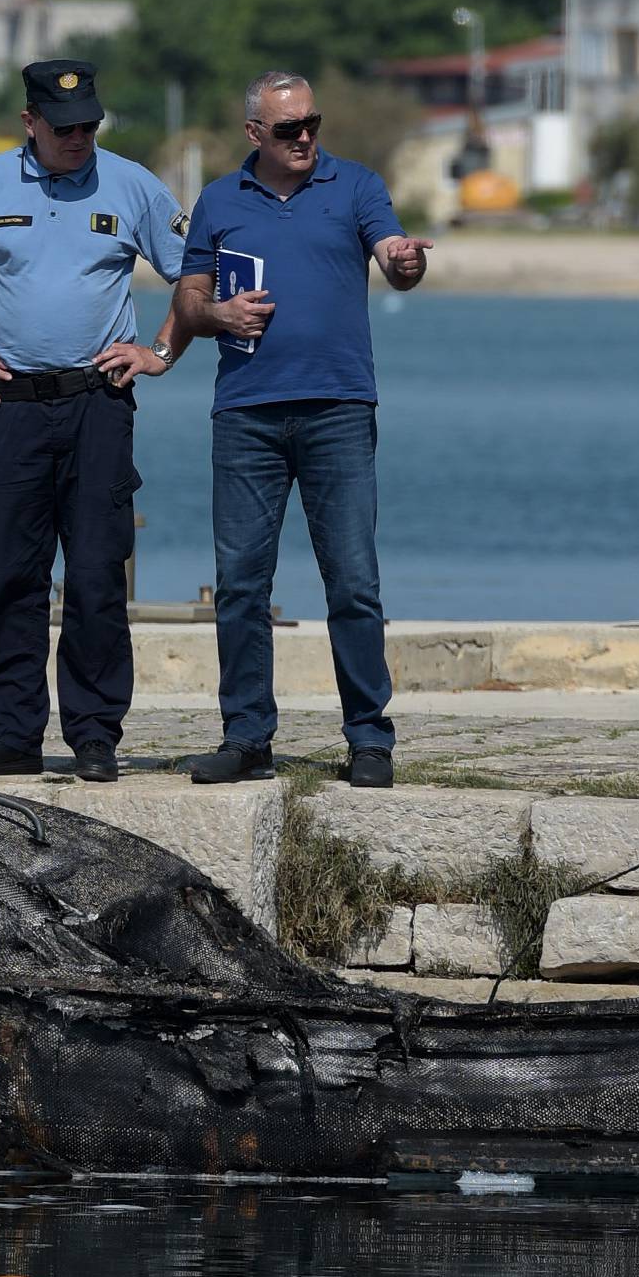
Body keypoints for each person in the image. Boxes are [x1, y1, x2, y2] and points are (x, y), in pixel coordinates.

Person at [0, 58, 186, 779]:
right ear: (29, 122)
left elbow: (198, 275)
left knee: (95, 575)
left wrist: (159, 351)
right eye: (63, 128)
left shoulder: (134, 185)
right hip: (11, 407)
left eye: (88, 125)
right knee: (14, 577)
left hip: (98, 403)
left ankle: (94, 736)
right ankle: (9, 735)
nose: (77, 138)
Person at [171, 72, 430, 789]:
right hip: (246, 415)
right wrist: (218, 316)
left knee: (352, 581)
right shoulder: (221, 199)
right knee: (242, 585)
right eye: (289, 129)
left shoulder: (356, 185)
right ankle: (247, 737)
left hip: (339, 409)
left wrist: (404, 262)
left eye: (312, 122)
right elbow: (189, 297)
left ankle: (369, 741)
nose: (306, 138)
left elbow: (393, 257)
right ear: (255, 133)